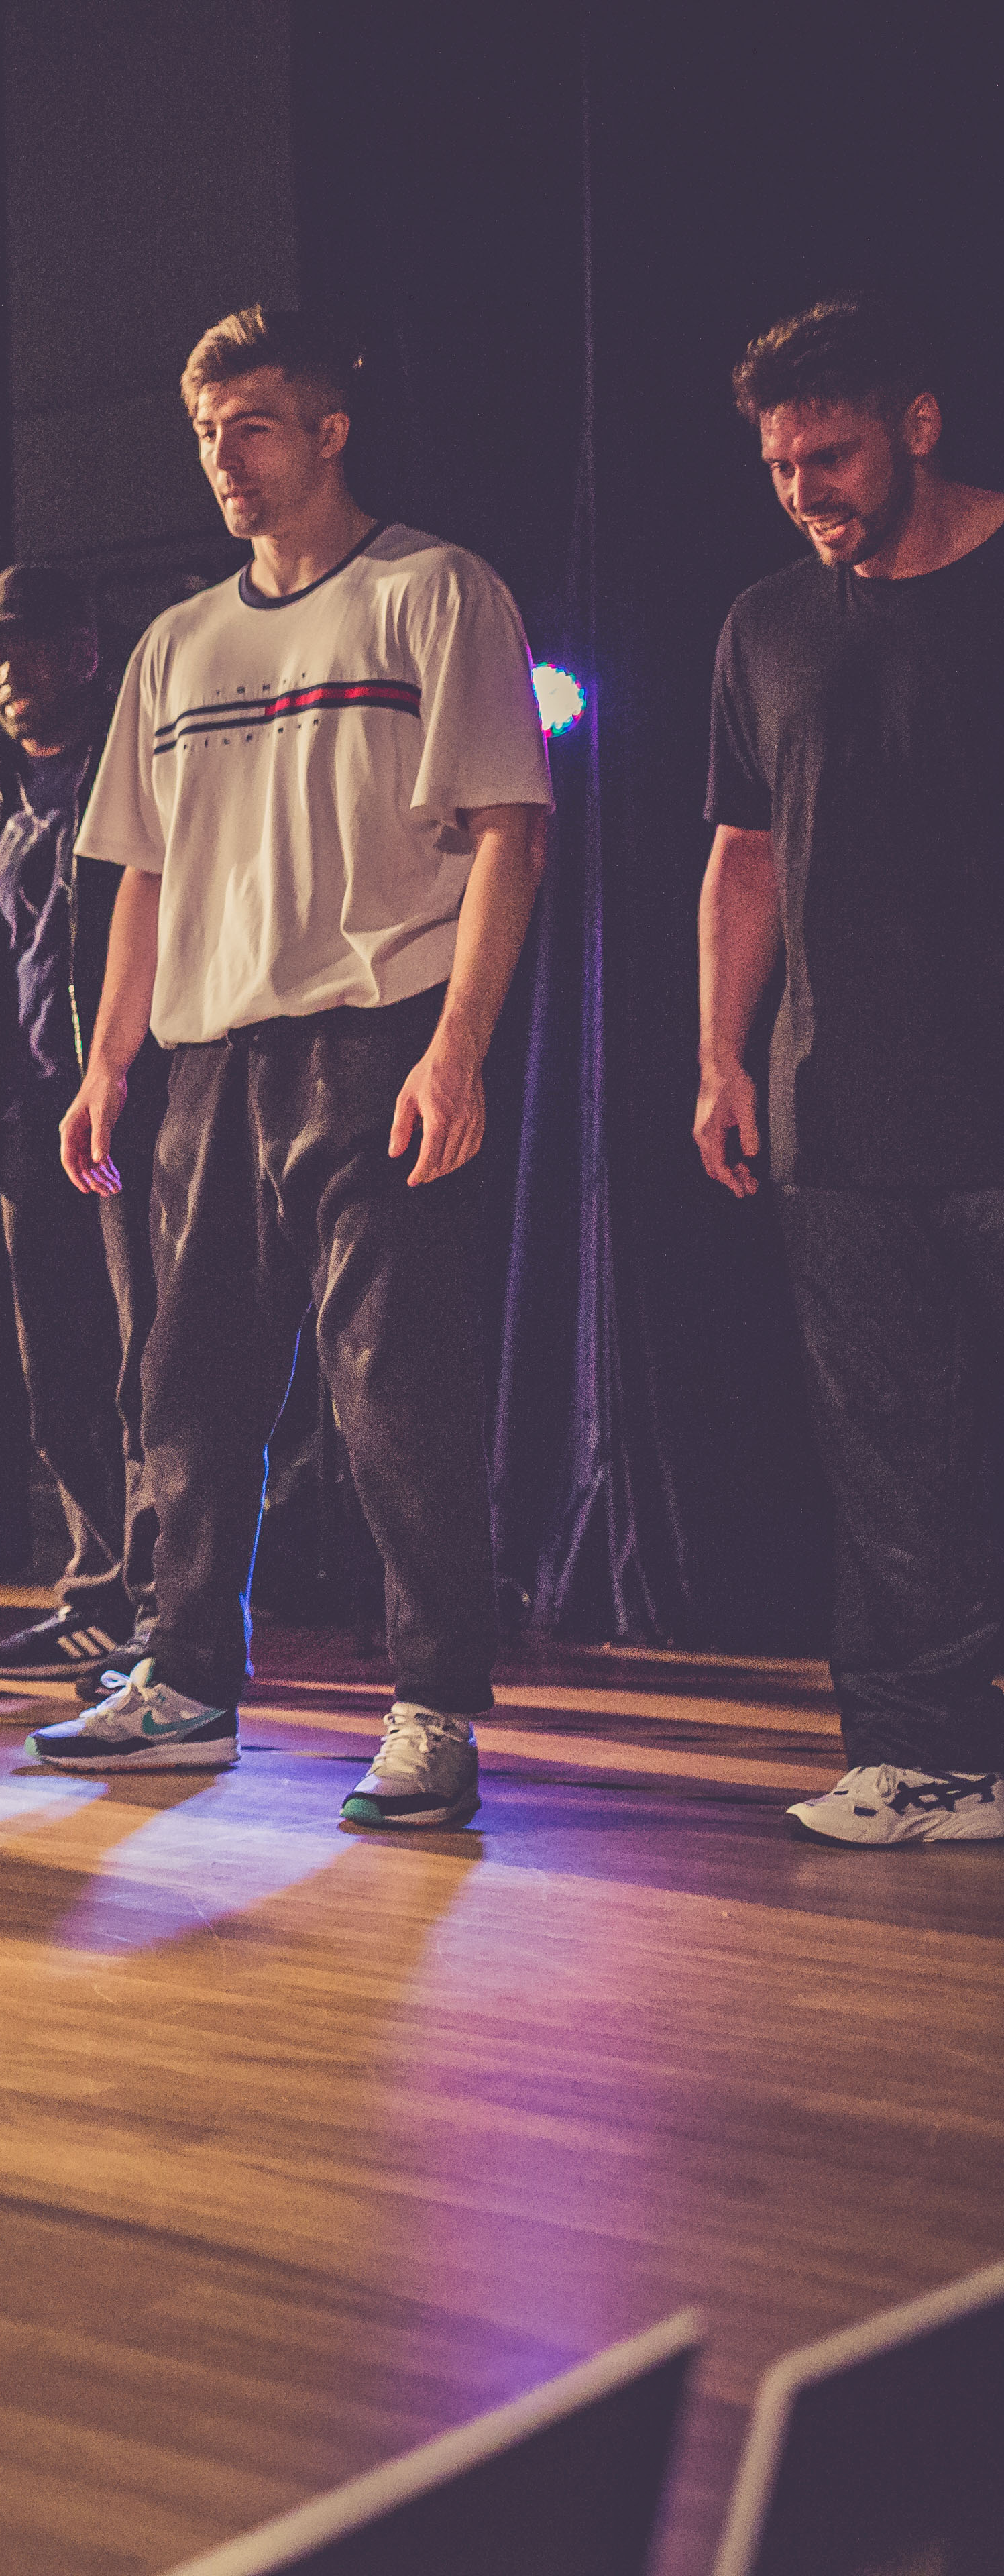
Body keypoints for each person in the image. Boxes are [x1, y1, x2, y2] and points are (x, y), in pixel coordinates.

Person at [44, 307, 552, 1827]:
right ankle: (185, 1681)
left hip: (373, 1034)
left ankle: (428, 1706)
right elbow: (135, 872)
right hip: (205, 1058)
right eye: (205, 431)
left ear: (328, 428)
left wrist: (455, 1047)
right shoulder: (176, 641)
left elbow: (504, 831)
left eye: (251, 425)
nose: (222, 458)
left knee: (392, 1396)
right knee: (183, 1389)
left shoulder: (432, 592)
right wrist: (104, 1060)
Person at [697, 293, 1004, 1847]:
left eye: (828, 453)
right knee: (891, 1464)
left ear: (916, 427)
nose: (804, 487)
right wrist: (716, 1058)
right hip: (840, 1114)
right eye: (777, 466)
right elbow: (740, 856)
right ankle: (926, 1758)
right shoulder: (761, 624)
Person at [0, 564, 162, 1691]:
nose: (6, 675)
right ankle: (98, 1595)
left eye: (28, 648)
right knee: (63, 1378)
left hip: (138, 1108)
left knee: (149, 1368)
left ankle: (167, 1613)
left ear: (86, 651)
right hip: (30, 1118)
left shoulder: (139, 764)